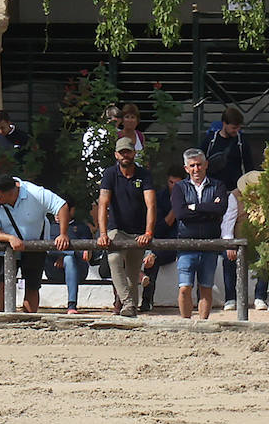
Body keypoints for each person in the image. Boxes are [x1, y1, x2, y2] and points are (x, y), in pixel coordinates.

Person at [0, 172, 71, 314]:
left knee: (32, 286)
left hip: (35, 247)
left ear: (12, 192)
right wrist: (10, 238)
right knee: (3, 285)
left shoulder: (35, 193)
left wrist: (63, 234)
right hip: (4, 249)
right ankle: (3, 320)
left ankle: (29, 320)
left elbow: (61, 206)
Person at [201, 106, 255, 308]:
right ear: (224, 124)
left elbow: (248, 166)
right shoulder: (211, 141)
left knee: (231, 230)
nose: (236, 130)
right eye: (233, 127)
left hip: (235, 191)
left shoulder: (241, 142)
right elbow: (201, 160)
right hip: (214, 190)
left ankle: (233, 296)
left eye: (238, 127)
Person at [96, 136, 156, 317]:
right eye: (121, 152)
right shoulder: (109, 174)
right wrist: (103, 233)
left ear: (134, 153)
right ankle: (129, 304)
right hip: (117, 229)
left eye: (128, 151)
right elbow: (103, 204)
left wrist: (148, 232)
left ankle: (131, 312)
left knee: (132, 275)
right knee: (114, 259)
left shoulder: (144, 175)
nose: (125, 155)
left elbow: (151, 205)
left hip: (137, 231)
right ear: (116, 154)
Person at [170, 149, 226, 320]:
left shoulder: (218, 186)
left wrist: (194, 207)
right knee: (184, 287)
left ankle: (203, 324)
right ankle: (186, 322)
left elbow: (220, 210)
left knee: (206, 287)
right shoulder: (180, 188)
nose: (196, 169)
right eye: (192, 165)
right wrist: (208, 208)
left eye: (199, 165)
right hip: (186, 244)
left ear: (206, 165)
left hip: (210, 244)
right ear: (186, 168)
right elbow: (180, 214)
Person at [222, 169, 269, 311]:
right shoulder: (235, 196)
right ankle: (230, 298)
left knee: (267, 258)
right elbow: (228, 222)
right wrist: (229, 244)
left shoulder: (268, 198)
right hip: (238, 242)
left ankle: (260, 297)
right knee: (228, 259)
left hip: (261, 242)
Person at [41, 197, 96, 316]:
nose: (57, 213)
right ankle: (71, 305)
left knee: (69, 259)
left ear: (71, 211)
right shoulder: (48, 227)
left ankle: (72, 304)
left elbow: (87, 252)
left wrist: (67, 255)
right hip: (54, 268)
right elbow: (45, 249)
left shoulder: (82, 228)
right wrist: (66, 254)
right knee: (68, 257)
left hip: (78, 270)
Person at [140, 165, 184, 312]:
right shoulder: (160, 197)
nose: (174, 186)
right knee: (152, 259)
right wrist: (174, 211)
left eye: (177, 184)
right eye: (171, 183)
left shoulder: (189, 196)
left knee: (153, 257)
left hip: (181, 241)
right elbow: (158, 227)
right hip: (161, 241)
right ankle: (146, 301)